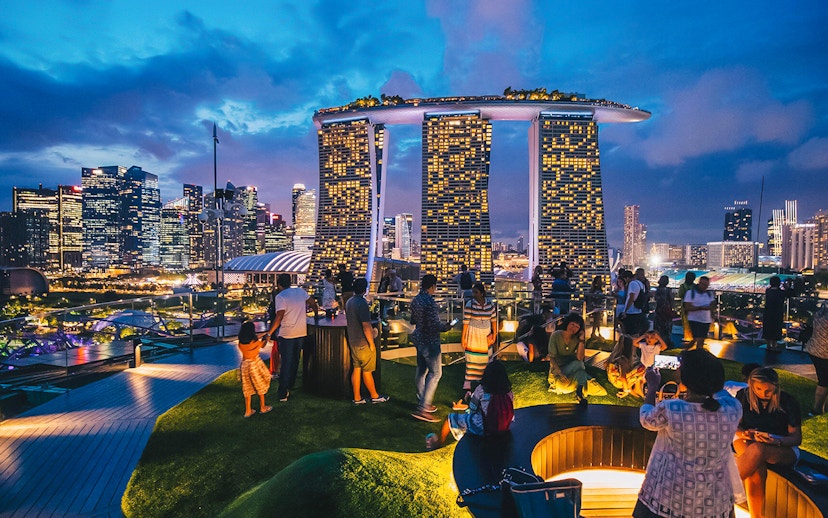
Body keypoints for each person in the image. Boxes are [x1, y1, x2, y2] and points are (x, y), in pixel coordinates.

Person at [634, 349, 743, 518]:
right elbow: (715, 396)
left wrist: (653, 386)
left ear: (686, 379)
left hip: (672, 494)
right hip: (714, 497)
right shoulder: (732, 408)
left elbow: (646, 419)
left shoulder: (673, 409)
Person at [733, 367, 802, 518]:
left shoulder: (787, 402)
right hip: (747, 439)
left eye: (768, 391)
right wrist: (744, 433)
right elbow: (734, 426)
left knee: (759, 449)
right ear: (751, 385)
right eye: (758, 389)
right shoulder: (743, 397)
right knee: (756, 468)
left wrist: (776, 441)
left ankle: (721, 493)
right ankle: (756, 516)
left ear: (776, 387)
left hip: (781, 447)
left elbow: (796, 438)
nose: (763, 394)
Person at [428, 360, 514, 450]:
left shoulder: (482, 389)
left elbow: (473, 408)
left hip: (483, 427)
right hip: (504, 426)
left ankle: (439, 443)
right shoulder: (508, 391)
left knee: (450, 418)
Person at [265, 273, 319, 402]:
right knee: (295, 360)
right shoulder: (300, 292)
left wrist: (269, 333)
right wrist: (316, 315)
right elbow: (313, 303)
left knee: (286, 363)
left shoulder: (281, 297)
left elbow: (279, 316)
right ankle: (291, 384)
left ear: (279, 284)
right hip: (300, 332)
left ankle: (283, 392)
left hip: (287, 334)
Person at [410, 274, 453, 422]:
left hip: (419, 338)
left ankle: (423, 401)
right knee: (435, 374)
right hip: (430, 341)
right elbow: (435, 325)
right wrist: (446, 327)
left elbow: (413, 320)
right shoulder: (430, 302)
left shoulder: (416, 300)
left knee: (421, 371)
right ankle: (423, 408)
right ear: (432, 286)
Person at [345, 278, 390, 405]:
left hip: (353, 341)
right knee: (367, 371)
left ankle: (357, 397)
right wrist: (371, 344)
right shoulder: (362, 303)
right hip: (363, 343)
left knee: (357, 369)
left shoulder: (349, 302)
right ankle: (374, 396)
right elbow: (366, 326)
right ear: (365, 289)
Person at [460, 283, 497, 392]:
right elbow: (466, 322)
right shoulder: (470, 304)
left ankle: (485, 383)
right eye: (473, 292)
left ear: (482, 293)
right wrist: (463, 338)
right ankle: (469, 387)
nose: (474, 294)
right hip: (473, 335)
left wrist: (494, 334)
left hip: (485, 335)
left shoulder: (490, 304)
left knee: (486, 360)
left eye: (476, 292)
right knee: (472, 360)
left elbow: (494, 320)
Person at [547, 314, 591, 405]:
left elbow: (580, 358)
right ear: (567, 323)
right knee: (579, 367)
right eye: (572, 324)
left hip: (571, 369)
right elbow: (551, 357)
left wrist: (581, 340)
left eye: (577, 327)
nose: (574, 328)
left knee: (580, 369)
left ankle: (579, 394)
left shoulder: (576, 339)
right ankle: (582, 385)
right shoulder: (556, 335)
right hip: (558, 370)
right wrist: (559, 372)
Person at [237, 321, 273, 418]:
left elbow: (254, 338)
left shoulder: (241, 343)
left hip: (245, 366)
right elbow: (263, 345)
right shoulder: (256, 343)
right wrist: (267, 337)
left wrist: (263, 333)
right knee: (260, 384)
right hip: (255, 365)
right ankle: (263, 407)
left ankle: (248, 411)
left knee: (247, 387)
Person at [805, 303, 828, 416]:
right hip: (824, 353)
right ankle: (817, 409)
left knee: (824, 380)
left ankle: (819, 408)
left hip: (814, 349)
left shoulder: (820, 313)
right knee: (824, 381)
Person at [683, 275, 716, 350]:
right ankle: (696, 353)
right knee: (698, 339)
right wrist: (701, 308)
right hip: (694, 320)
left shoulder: (709, 294)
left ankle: (694, 353)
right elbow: (687, 307)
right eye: (703, 285)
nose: (705, 287)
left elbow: (712, 305)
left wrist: (712, 316)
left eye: (706, 285)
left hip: (706, 320)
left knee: (700, 339)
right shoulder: (690, 293)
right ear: (699, 283)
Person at [620, 268, 649, 337]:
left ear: (627, 278)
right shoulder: (640, 283)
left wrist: (625, 311)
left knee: (629, 333)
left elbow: (631, 298)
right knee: (636, 333)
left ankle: (630, 346)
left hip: (631, 311)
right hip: (638, 310)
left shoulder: (632, 284)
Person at [762, 276, 786, 352]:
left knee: (768, 328)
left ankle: (768, 345)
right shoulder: (780, 292)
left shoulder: (768, 291)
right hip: (777, 313)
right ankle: (774, 346)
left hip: (768, 313)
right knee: (776, 328)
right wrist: (786, 287)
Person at [653, 275, 674, 347]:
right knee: (666, 328)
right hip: (667, 311)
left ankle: (658, 342)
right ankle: (666, 343)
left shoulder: (658, 289)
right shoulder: (668, 290)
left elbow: (656, 299)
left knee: (658, 327)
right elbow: (671, 300)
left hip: (659, 311)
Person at [677, 271, 697, 343]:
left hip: (685, 306)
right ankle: (694, 338)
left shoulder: (682, 286)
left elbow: (680, 295)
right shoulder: (695, 287)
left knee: (686, 322)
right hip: (694, 306)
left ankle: (687, 337)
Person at [586, 275, 604, 339]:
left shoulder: (596, 289)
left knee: (597, 320)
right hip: (594, 307)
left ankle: (596, 333)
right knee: (597, 320)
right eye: (599, 280)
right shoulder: (595, 290)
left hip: (597, 307)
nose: (601, 282)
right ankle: (594, 333)